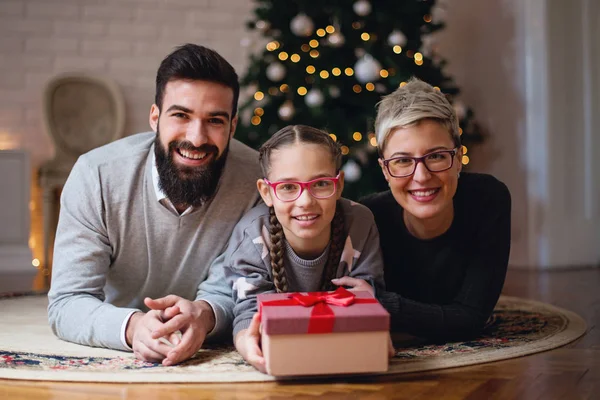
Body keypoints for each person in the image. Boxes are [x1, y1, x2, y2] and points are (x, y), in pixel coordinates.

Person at [47, 43, 262, 366]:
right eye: (181, 115)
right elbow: (67, 301)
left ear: (232, 126)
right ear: (155, 117)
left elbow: (240, 288)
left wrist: (204, 315)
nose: (197, 137)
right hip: (116, 323)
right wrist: (132, 327)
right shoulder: (96, 176)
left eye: (215, 121)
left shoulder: (258, 180)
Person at [335, 78, 511, 342]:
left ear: (458, 158)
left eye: (436, 156)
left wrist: (382, 304)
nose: (421, 176)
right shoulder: (367, 216)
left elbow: (471, 319)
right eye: (403, 161)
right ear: (385, 170)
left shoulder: (487, 200)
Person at [218, 125, 385, 372]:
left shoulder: (360, 224)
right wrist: (248, 342)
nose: (305, 201)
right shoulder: (251, 235)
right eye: (287, 187)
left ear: (338, 186)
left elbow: (369, 297)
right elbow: (247, 312)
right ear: (266, 192)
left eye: (320, 184)